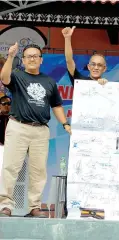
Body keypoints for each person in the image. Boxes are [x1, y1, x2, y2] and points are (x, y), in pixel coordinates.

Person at [0, 43, 71, 218]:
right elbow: (4, 78)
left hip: (40, 130)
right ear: (23, 61)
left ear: (41, 60)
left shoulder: (49, 82)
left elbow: (56, 105)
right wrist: (10, 56)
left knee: (38, 171)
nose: (32, 59)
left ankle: (34, 207)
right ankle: (5, 205)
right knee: (10, 167)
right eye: (28, 56)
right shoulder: (17, 76)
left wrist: (65, 123)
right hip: (18, 127)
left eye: (35, 56)